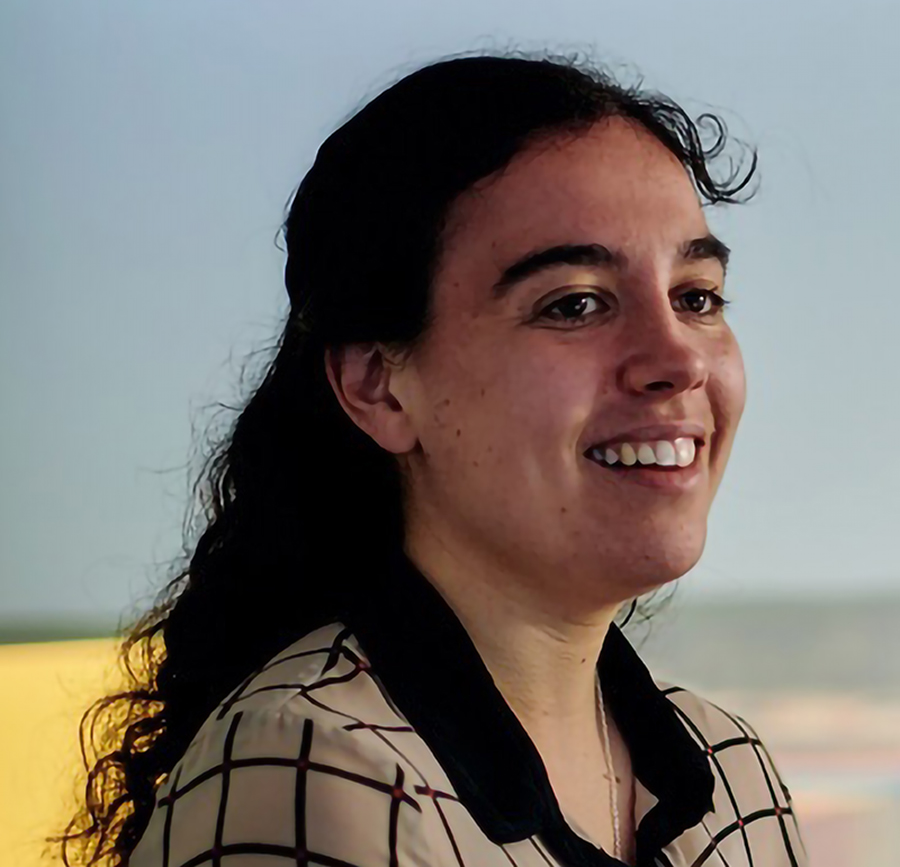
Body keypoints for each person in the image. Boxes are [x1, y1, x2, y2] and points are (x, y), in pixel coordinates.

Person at [56, 53, 809, 867]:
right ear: (380, 387)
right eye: (575, 303)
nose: (679, 360)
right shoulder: (319, 773)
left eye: (696, 298)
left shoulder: (736, 778)